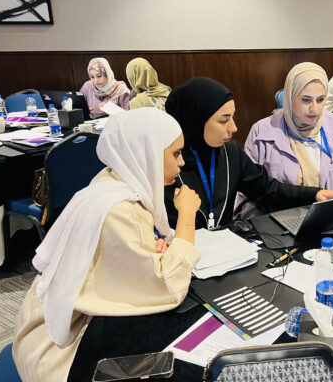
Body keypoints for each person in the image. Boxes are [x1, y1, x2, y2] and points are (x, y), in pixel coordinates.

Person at [12, 108, 202, 381]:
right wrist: (186, 215)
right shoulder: (119, 209)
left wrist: (146, 252)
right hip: (57, 354)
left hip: (51, 319)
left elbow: (128, 258)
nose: (181, 163)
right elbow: (168, 285)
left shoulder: (110, 182)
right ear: (146, 153)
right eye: (175, 154)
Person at [164, 77, 333, 230]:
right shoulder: (163, 162)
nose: (234, 127)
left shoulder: (230, 153)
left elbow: (267, 189)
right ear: (195, 121)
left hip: (225, 254)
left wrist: (314, 195)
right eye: (223, 120)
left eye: (233, 117)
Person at [238, 62, 333, 218]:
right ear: (290, 98)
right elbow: (248, 195)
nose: (314, 109)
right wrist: (262, 229)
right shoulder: (262, 130)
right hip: (275, 224)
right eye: (306, 100)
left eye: (320, 99)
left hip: (327, 219)